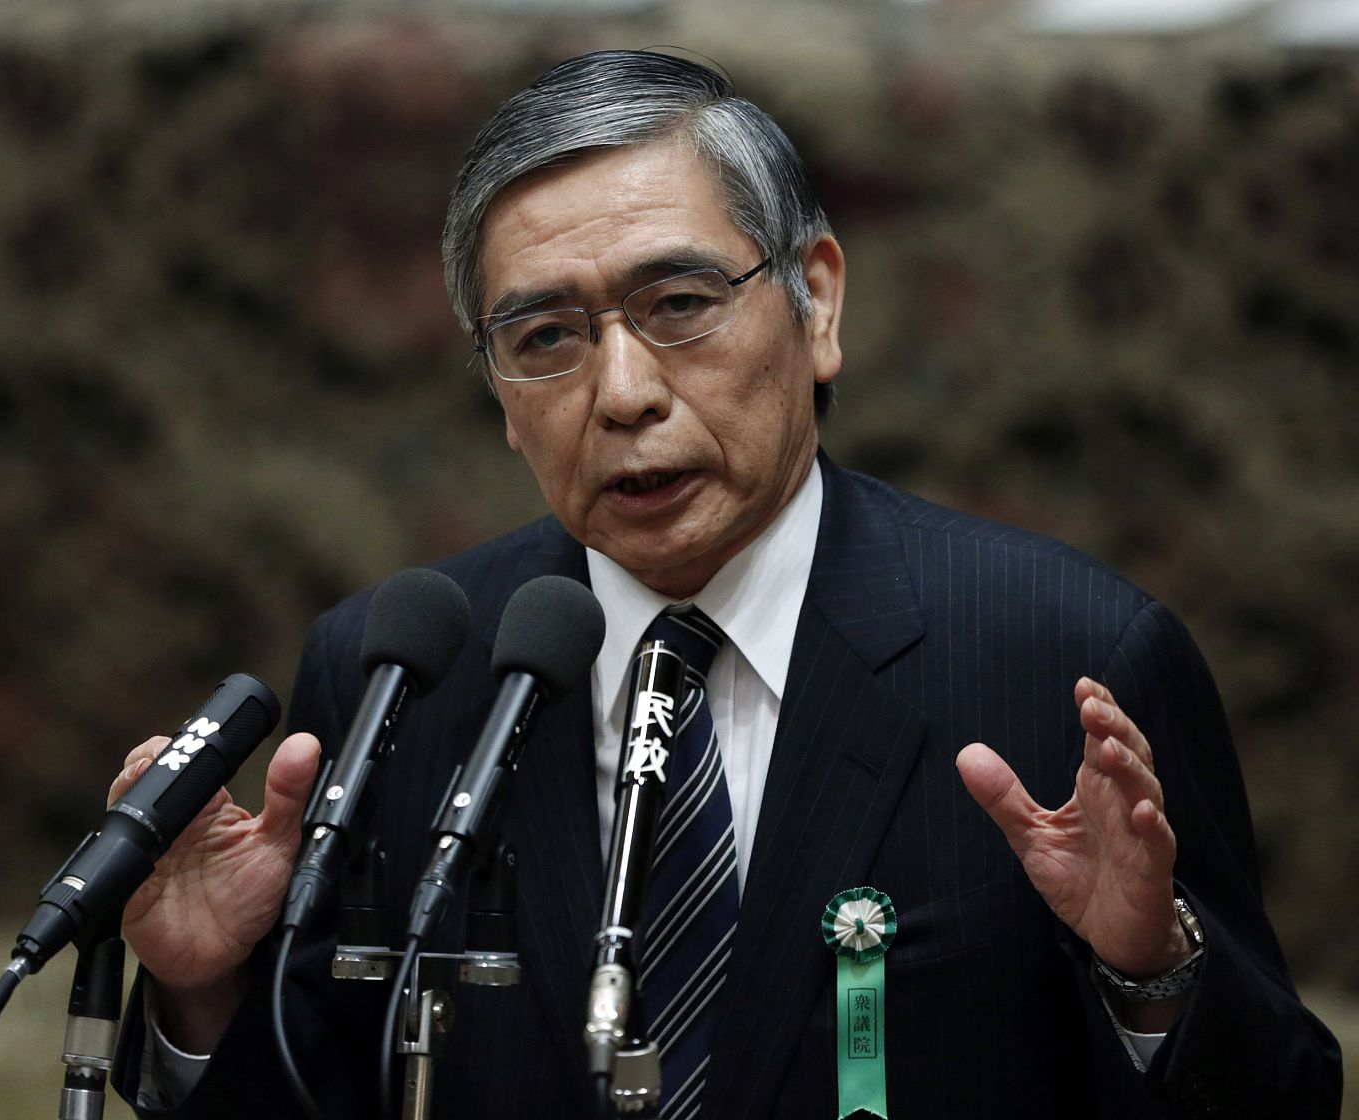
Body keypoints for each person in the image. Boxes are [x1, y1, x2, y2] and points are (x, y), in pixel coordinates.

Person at [108, 50, 1341, 1118]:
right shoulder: (399, 677)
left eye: (680, 304)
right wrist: (204, 995)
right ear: (497, 390)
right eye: (545, 339)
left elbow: (1282, 1101)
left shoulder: (1060, 659)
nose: (624, 391)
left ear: (816, 303)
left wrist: (1152, 971)